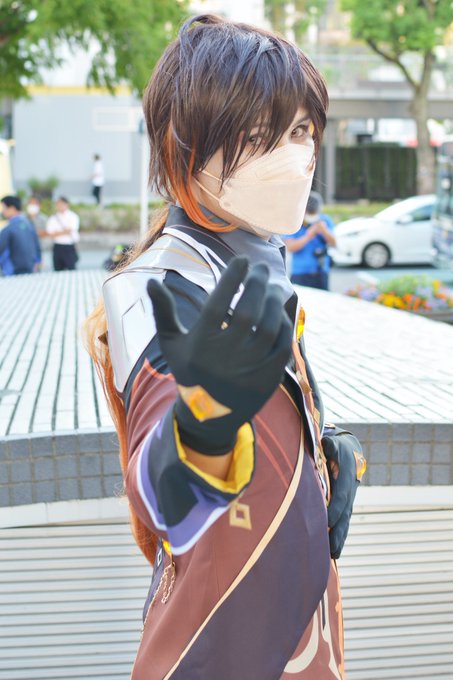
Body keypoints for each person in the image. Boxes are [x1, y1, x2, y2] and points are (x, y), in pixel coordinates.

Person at [85, 15, 365, 679]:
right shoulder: (160, 288)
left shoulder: (250, 261)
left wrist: (313, 455)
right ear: (185, 146)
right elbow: (167, 498)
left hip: (295, 622)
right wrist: (207, 421)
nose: (291, 159)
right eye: (257, 137)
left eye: (301, 133)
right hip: (221, 647)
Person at [284, 191, 336, 290]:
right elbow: (290, 247)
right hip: (300, 273)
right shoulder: (294, 222)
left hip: (321, 271)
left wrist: (324, 231)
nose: (311, 216)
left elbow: (334, 243)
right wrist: (308, 236)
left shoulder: (324, 220)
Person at [0, 195, 41, 275]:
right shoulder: (29, 224)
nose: (3, 211)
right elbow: (37, 246)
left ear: (12, 208)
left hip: (12, 272)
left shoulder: (9, 229)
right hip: (31, 270)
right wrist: (37, 262)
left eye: (4, 208)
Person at [44, 196, 80, 271]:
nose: (60, 206)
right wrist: (64, 232)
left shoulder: (73, 216)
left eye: (62, 204)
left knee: (71, 270)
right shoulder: (53, 218)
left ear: (67, 204)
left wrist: (56, 233)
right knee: (57, 270)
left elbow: (70, 230)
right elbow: (50, 234)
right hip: (57, 247)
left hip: (69, 246)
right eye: (58, 204)